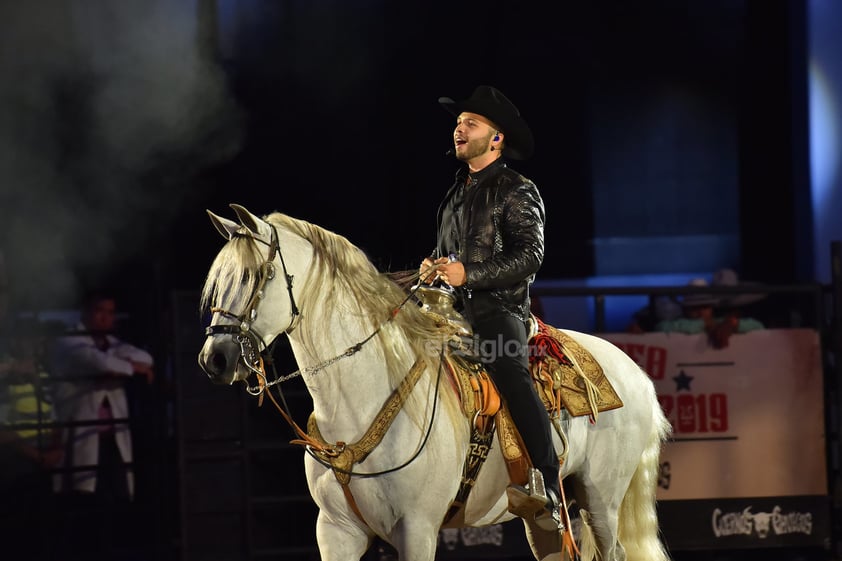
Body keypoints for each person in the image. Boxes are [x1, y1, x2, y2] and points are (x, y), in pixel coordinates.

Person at [418, 85, 559, 530]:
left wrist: (468, 276)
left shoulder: (517, 189)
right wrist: (434, 267)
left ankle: (549, 484)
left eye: (470, 123)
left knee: (509, 370)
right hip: (448, 309)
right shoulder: (453, 195)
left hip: (499, 310)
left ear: (496, 138)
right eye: (458, 123)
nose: (459, 129)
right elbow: (451, 253)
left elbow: (530, 256)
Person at [49, 290, 154, 556]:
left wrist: (117, 366)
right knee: (81, 501)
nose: (106, 318)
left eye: (110, 312)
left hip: (111, 438)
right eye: (100, 311)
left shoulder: (112, 344)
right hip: (80, 434)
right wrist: (128, 369)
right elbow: (96, 362)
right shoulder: (68, 342)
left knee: (114, 500)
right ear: (86, 312)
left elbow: (145, 358)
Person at [654, 269, 766, 349]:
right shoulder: (677, 324)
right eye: (694, 307)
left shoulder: (721, 323)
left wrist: (732, 324)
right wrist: (704, 325)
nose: (700, 311)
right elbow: (661, 328)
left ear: (711, 308)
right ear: (685, 310)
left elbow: (758, 326)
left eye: (705, 307)